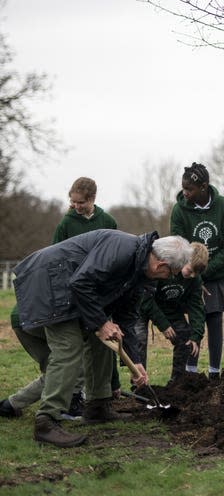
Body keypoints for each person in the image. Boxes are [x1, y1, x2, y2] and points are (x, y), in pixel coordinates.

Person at [12, 230, 197, 447]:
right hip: (49, 283)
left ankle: (97, 406)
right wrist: (101, 323)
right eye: (172, 273)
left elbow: (126, 318)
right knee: (68, 349)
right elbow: (81, 282)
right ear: (161, 265)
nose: (170, 278)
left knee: (103, 342)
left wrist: (135, 362)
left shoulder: (140, 274)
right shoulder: (122, 249)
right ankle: (46, 421)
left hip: (73, 291)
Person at [53, 176, 120, 414]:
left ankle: (102, 396)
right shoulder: (66, 225)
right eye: (72, 201)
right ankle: (73, 398)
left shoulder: (107, 221)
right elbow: (55, 258)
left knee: (102, 345)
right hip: (74, 292)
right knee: (75, 349)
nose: (75, 206)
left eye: (80, 202)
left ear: (92, 199)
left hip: (99, 292)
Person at [170, 162, 224, 380]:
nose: (185, 192)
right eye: (183, 188)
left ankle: (214, 372)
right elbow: (177, 242)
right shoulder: (179, 209)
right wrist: (193, 271)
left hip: (215, 275)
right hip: (189, 276)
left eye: (189, 189)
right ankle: (190, 373)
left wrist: (208, 268)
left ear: (204, 187)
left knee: (214, 321)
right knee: (194, 321)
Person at [136, 242, 208, 384]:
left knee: (185, 337)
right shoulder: (164, 268)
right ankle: (139, 384)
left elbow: (196, 307)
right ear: (184, 260)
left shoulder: (194, 279)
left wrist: (196, 335)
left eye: (196, 273)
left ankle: (177, 382)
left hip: (170, 310)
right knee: (138, 340)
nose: (192, 275)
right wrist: (163, 324)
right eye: (190, 270)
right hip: (142, 307)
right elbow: (146, 299)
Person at [52, 177, 118, 242]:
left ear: (93, 198)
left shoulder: (108, 222)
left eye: (81, 202)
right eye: (73, 202)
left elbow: (115, 249)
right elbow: (55, 251)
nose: (77, 206)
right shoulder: (66, 224)